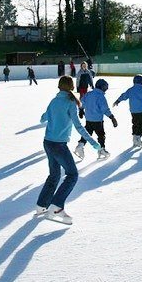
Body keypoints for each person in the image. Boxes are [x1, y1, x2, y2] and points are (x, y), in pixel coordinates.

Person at [36, 76, 101, 225]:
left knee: (54, 175)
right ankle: (56, 208)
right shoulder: (70, 102)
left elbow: (43, 118)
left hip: (48, 142)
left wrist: (48, 116)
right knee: (72, 175)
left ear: (59, 87)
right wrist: (93, 142)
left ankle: (41, 205)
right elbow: (78, 126)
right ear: (71, 87)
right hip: (58, 145)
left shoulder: (54, 101)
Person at [73, 79, 117, 160]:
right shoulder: (101, 96)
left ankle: (80, 146)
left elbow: (82, 102)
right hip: (97, 121)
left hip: (89, 119)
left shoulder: (88, 94)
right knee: (101, 135)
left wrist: (81, 110)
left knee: (87, 134)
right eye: (105, 87)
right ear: (101, 87)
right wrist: (112, 117)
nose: (106, 89)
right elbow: (105, 109)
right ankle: (101, 150)